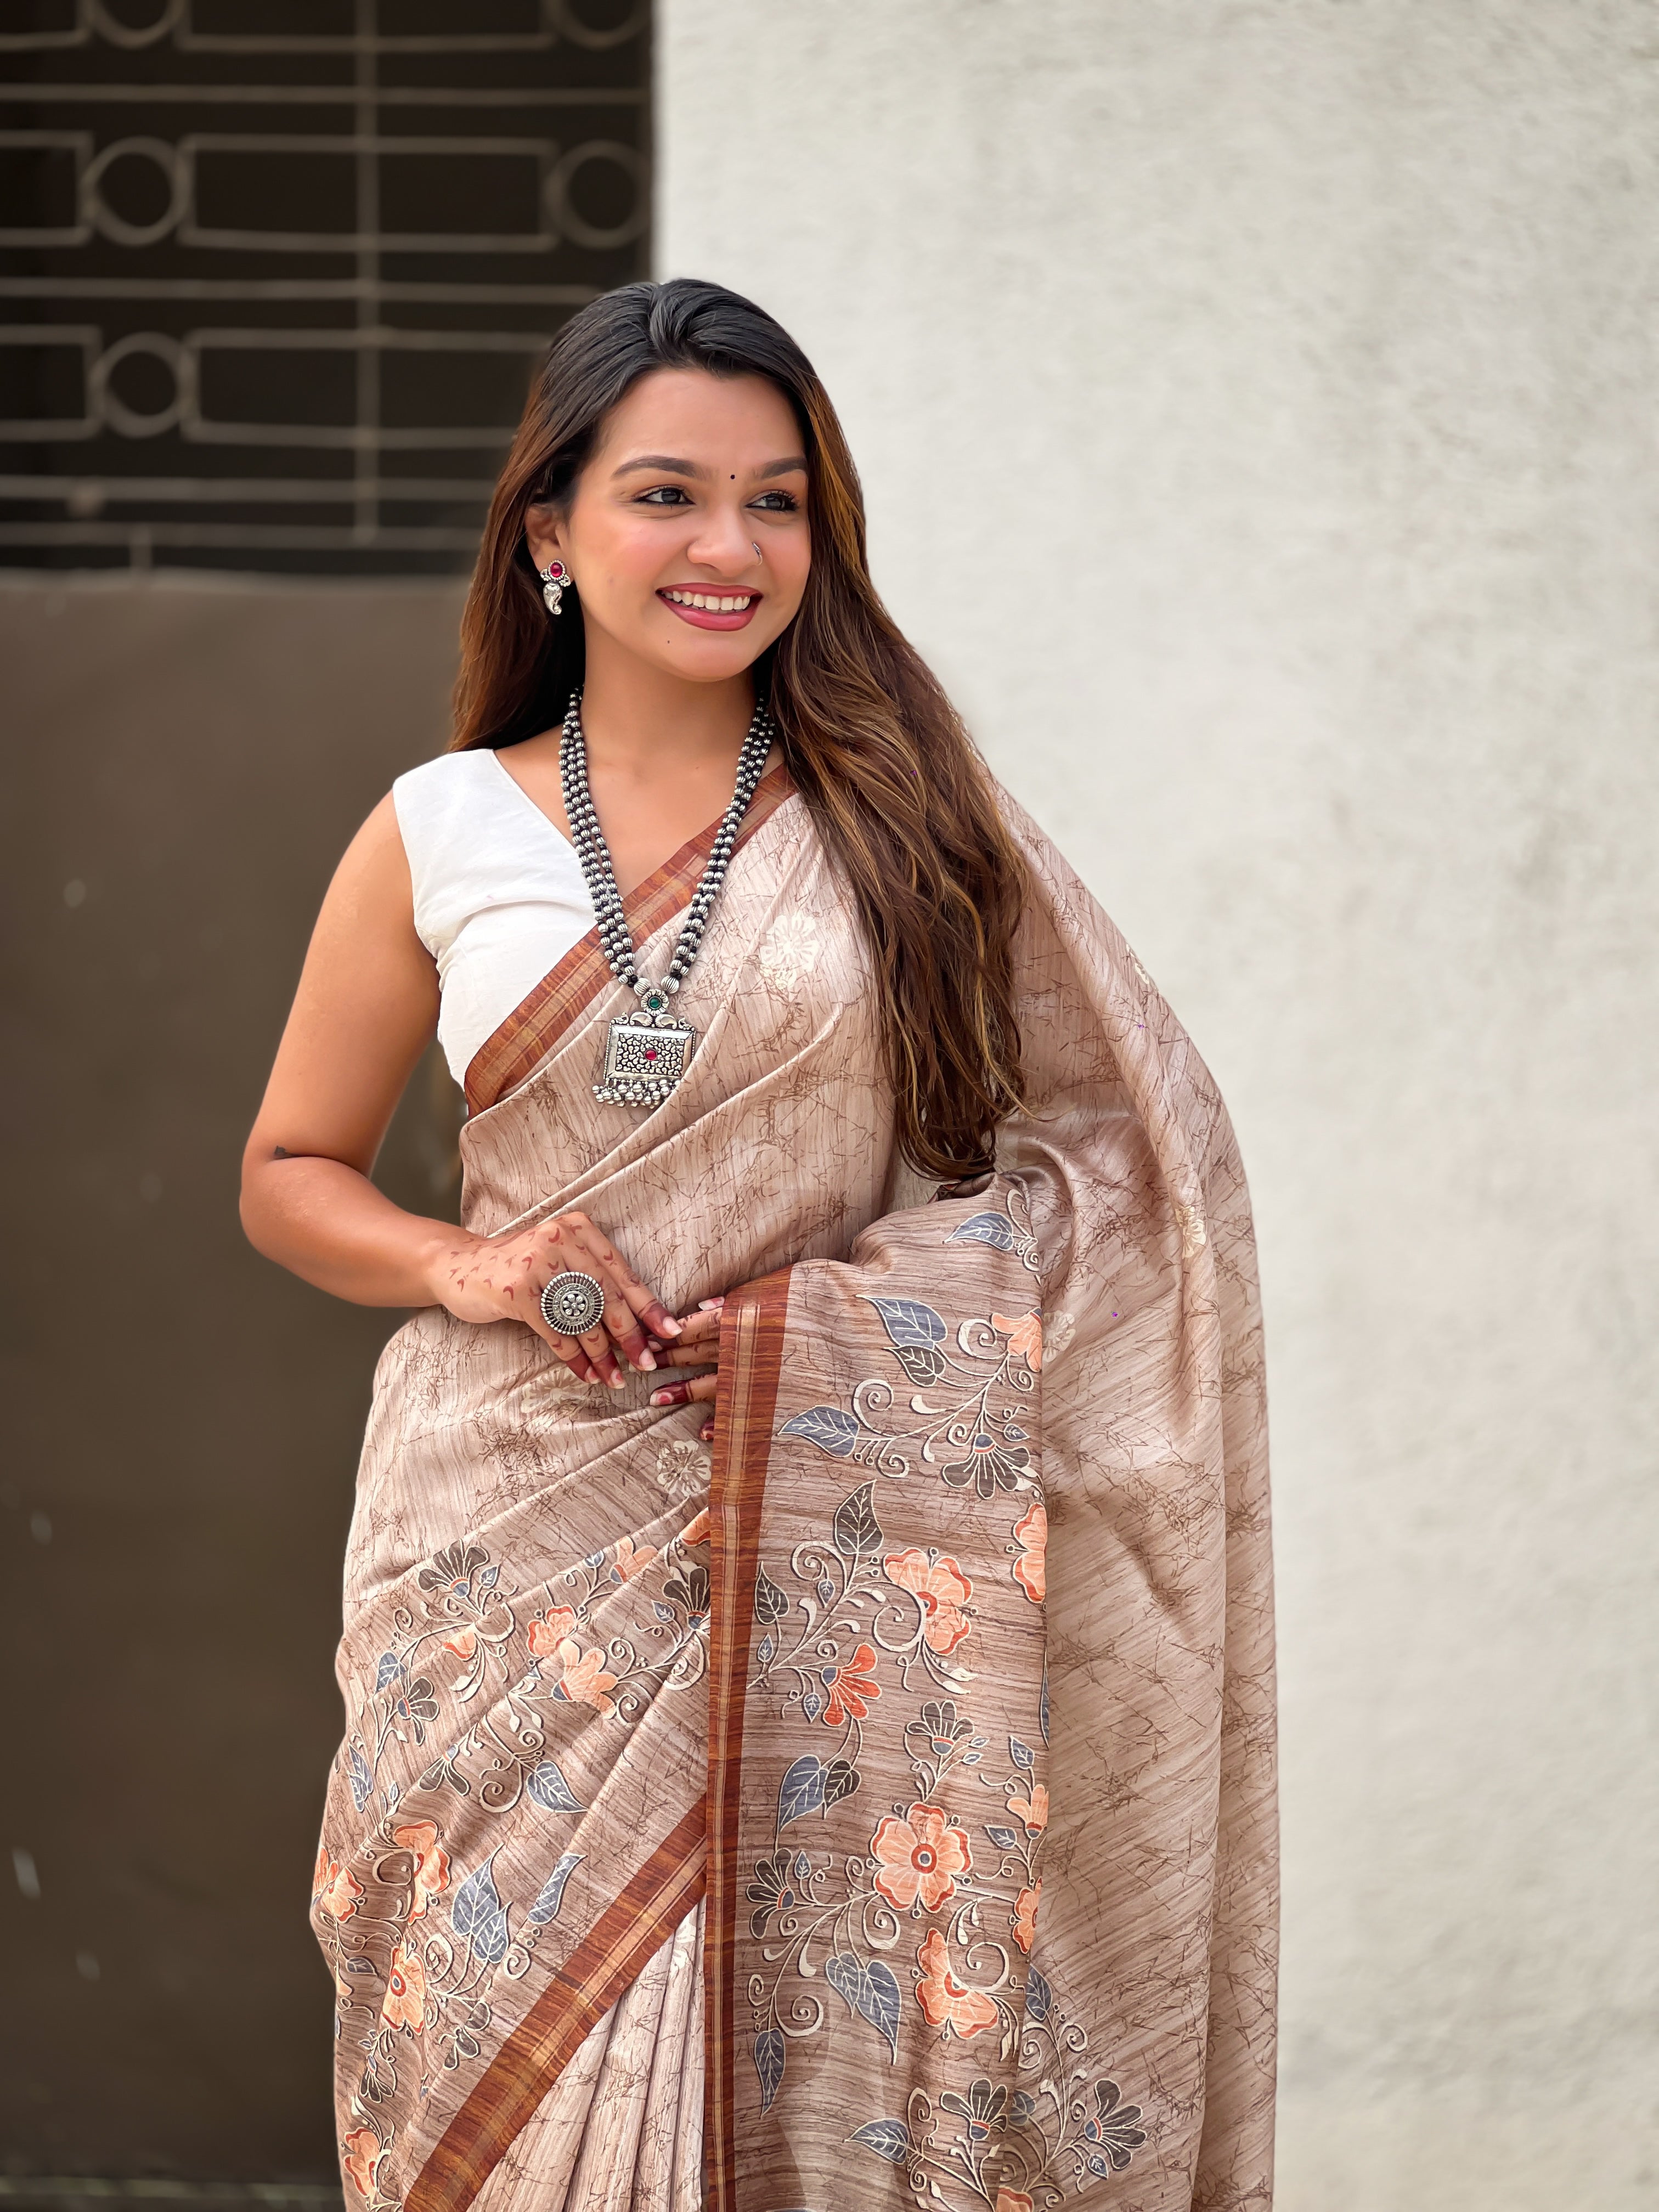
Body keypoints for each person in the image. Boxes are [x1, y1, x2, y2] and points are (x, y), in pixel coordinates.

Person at [241, 278, 1277, 2212]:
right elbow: (292, 1165)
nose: (729, 548)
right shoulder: (439, 828)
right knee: (485, 2080)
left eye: (779, 501)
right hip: (499, 1558)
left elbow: (1131, 1163)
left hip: (830, 1539)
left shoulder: (905, 823)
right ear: (549, 531)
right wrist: (471, 1264)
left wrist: (847, 1327)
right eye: (667, 495)